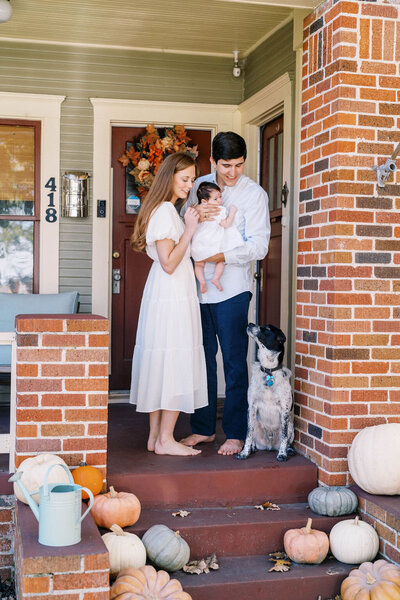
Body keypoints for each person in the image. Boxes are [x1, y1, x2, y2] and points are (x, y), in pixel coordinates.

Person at [180, 131, 270, 456]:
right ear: (213, 162)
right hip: (198, 290)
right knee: (201, 359)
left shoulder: (255, 196)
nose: (232, 172)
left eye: (239, 165)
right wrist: (193, 219)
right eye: (226, 165)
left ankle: (234, 432)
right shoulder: (197, 187)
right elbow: (182, 230)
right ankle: (203, 429)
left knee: (234, 362)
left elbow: (259, 246)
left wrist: (221, 257)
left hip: (233, 289)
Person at [129, 152, 208, 457]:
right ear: (169, 178)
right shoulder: (165, 211)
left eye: (192, 179)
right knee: (173, 360)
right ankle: (165, 439)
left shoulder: (167, 210)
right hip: (171, 293)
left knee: (164, 360)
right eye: (184, 179)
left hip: (169, 293)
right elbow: (169, 263)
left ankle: (155, 438)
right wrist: (189, 229)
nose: (190, 185)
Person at [191, 181, 244, 293]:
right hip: (213, 244)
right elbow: (226, 224)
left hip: (198, 244)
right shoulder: (219, 210)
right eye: (215, 199)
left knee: (198, 264)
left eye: (220, 197)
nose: (220, 201)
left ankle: (202, 282)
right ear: (204, 201)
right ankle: (216, 278)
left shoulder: (196, 210)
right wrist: (232, 213)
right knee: (221, 261)